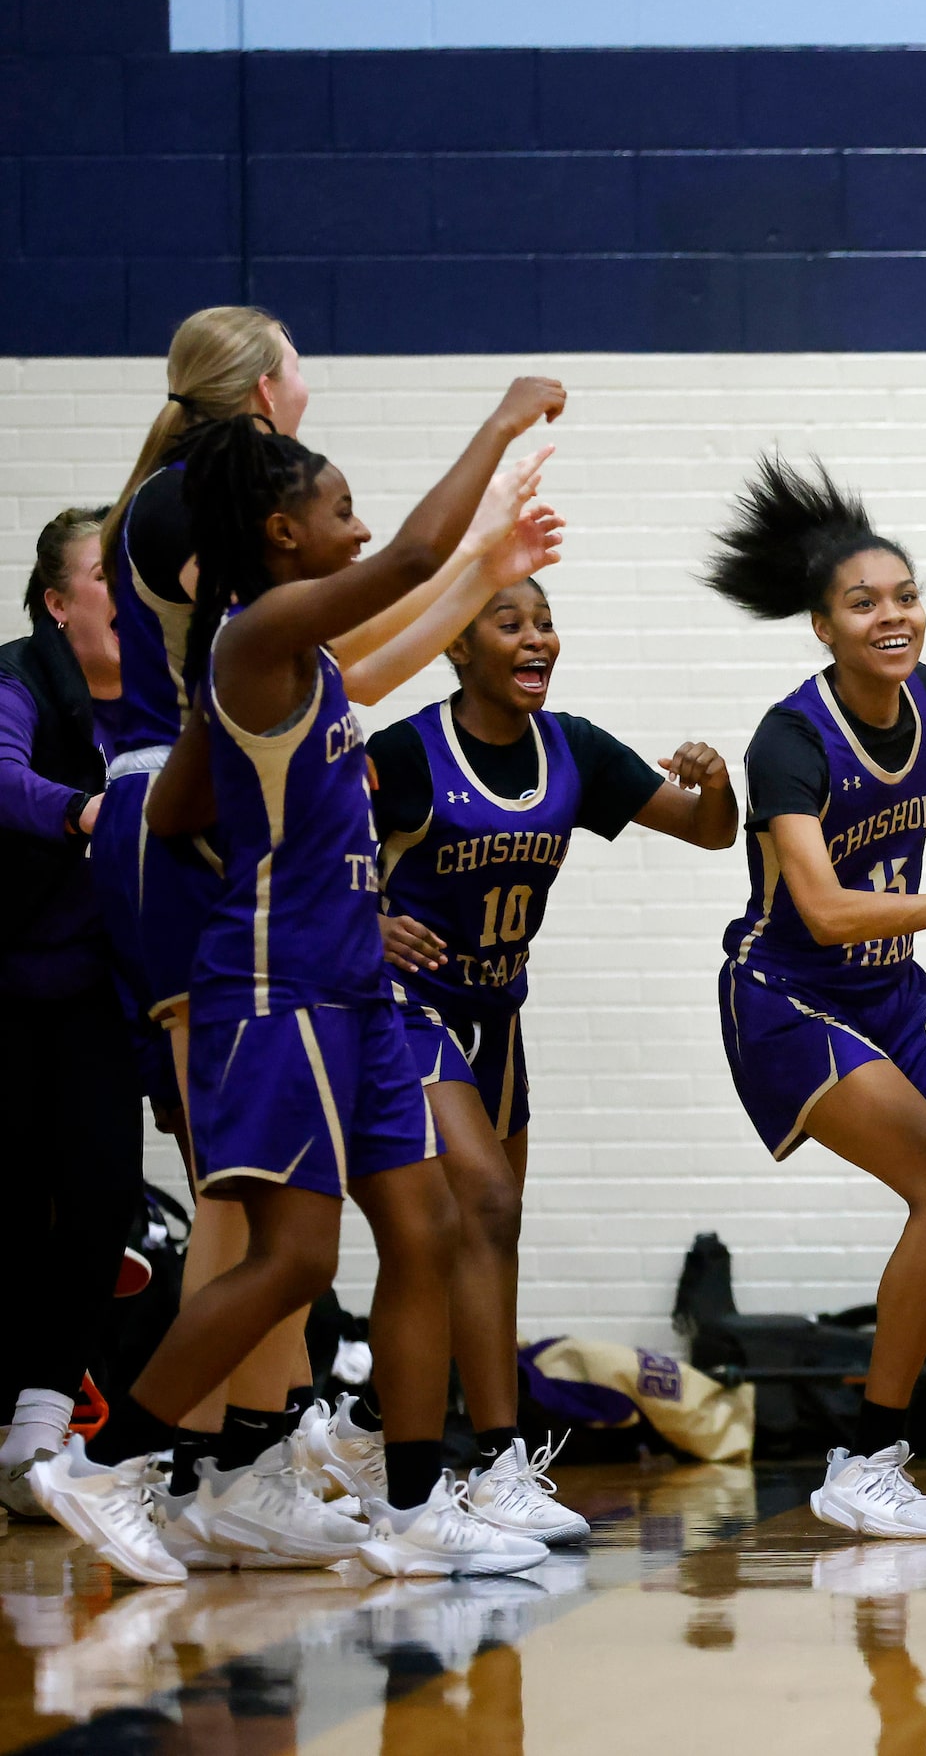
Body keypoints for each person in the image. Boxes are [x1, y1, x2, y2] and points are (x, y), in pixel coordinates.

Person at [33, 383, 569, 1586]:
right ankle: (110, 1467)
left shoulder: (287, 660)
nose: (362, 527)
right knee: (296, 1259)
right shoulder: (257, 638)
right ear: (282, 535)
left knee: (422, 1232)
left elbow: (173, 805)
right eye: (339, 509)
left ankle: (423, 1506)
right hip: (276, 998)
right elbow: (426, 552)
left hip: (355, 999)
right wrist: (498, 422)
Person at [370, 575, 740, 1546]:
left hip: (498, 1012)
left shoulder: (572, 748)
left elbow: (709, 831)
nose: (536, 639)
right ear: (458, 646)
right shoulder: (406, 752)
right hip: (406, 1010)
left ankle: (492, 1468)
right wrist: (367, 921)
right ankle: (422, 1468)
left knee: (496, 1230)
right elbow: (297, 853)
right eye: (510, 624)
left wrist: (719, 777)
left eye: (545, 622)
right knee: (480, 1202)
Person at [705, 455, 926, 1541]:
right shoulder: (789, 736)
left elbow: (899, 810)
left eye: (906, 595)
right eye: (865, 603)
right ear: (822, 628)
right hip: (791, 997)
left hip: (889, 991)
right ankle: (865, 1460)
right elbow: (824, 909)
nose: (893, 615)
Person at [0, 510, 140, 1521]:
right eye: (105, 575)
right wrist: (86, 809)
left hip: (95, 989)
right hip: (4, 979)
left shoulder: (152, 699)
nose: (123, 592)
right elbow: (4, 781)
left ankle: (41, 1432)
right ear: (58, 601)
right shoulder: (17, 679)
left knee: (101, 1202)